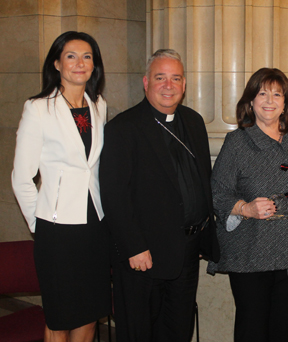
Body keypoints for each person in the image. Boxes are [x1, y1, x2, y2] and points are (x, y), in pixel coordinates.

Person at [99, 49, 219, 342]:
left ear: (185, 84)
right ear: (145, 82)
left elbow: (202, 180)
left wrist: (203, 233)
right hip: (145, 257)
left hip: (187, 252)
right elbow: (114, 195)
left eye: (175, 78)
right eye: (160, 77)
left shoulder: (193, 121)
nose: (169, 85)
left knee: (177, 330)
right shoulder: (123, 128)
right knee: (141, 333)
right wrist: (134, 246)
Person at [207, 68, 288, 342]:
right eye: (262, 93)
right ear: (250, 102)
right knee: (252, 331)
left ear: (285, 103)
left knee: (285, 330)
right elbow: (215, 192)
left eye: (277, 94)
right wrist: (245, 208)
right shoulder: (237, 142)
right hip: (251, 255)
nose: (269, 100)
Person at [11, 31, 110, 341]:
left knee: (90, 312)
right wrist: (39, 224)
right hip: (56, 228)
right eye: (71, 56)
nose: (80, 63)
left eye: (87, 57)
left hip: (94, 222)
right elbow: (21, 177)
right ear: (56, 63)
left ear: (95, 66)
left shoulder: (98, 104)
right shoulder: (38, 108)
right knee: (60, 318)